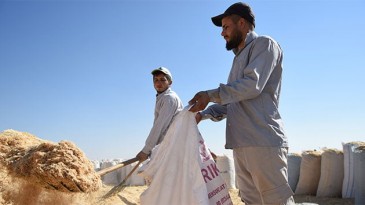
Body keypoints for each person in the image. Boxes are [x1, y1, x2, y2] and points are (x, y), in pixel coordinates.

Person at [188, 2, 295, 205]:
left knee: (276, 201)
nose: (222, 33)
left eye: (226, 27)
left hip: (262, 142)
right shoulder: (237, 59)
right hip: (241, 144)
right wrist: (205, 114)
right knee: (250, 201)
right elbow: (232, 101)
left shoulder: (264, 45)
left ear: (242, 23)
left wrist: (210, 95)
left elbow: (252, 85)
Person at [136, 67, 183, 162]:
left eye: (162, 80)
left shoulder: (169, 98)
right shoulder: (162, 97)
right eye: (156, 80)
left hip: (169, 149)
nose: (158, 83)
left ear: (170, 82)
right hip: (165, 147)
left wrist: (146, 150)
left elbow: (160, 126)